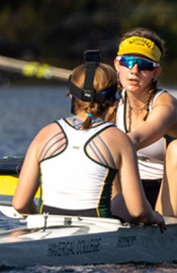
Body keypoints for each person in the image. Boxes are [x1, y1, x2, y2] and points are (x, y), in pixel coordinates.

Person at [12, 55, 165, 226]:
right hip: (100, 229)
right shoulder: (119, 139)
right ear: (114, 99)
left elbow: (19, 204)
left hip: (47, 225)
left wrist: (39, 218)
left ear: (71, 95)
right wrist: (156, 217)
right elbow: (138, 211)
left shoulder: (45, 133)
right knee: (124, 200)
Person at [107, 29, 177, 219]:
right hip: (131, 190)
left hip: (172, 191)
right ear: (117, 65)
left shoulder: (167, 106)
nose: (134, 70)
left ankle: (166, 227)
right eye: (128, 62)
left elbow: (139, 137)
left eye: (144, 65)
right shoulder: (110, 104)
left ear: (156, 72)